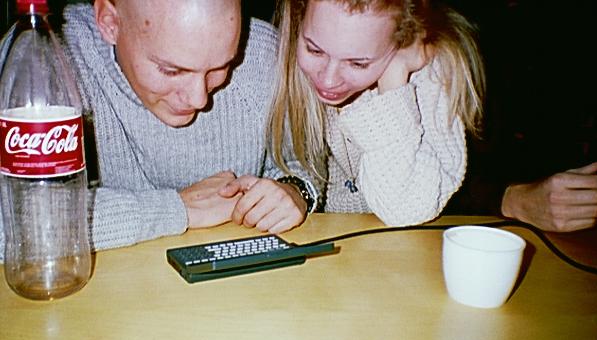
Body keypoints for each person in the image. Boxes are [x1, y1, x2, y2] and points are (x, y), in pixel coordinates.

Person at [0, 0, 318, 252]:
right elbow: (12, 223)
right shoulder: (43, 59)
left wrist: (295, 191)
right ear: (110, 22)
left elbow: (305, 165)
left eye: (222, 66)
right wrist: (178, 210)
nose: (198, 98)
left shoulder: (262, 54)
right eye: (171, 70)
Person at [267, 0, 485, 226]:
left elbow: (406, 209)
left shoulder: (430, 77)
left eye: (358, 64)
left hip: (398, 239)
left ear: (403, 40)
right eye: (314, 50)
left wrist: (393, 83)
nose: (328, 81)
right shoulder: (281, 58)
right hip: (323, 231)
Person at [442, 0, 597, 233]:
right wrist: (511, 200)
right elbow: (435, 178)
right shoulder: (448, 30)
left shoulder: (574, 27)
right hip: (472, 223)